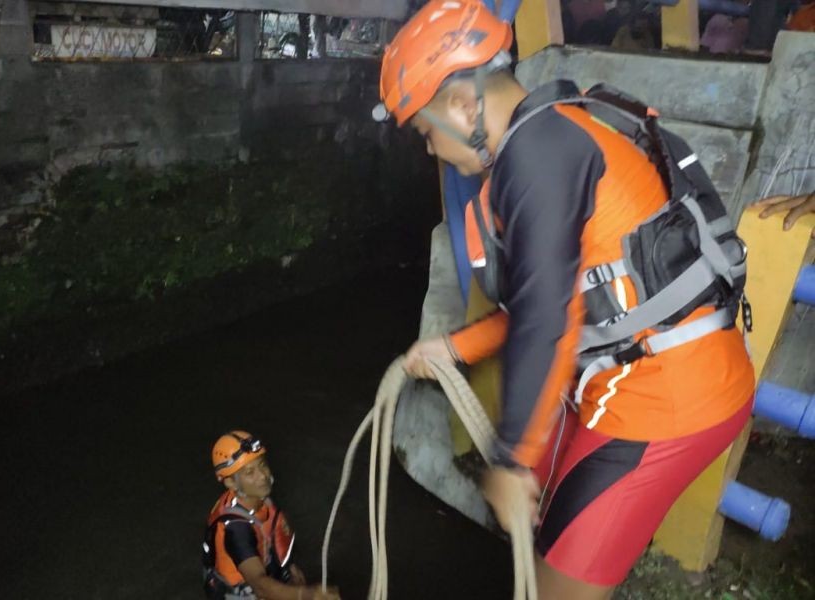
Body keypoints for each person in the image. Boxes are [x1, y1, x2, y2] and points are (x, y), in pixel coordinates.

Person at [374, 1, 754, 598]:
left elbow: (547, 319)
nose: (431, 152)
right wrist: (453, 346)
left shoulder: (535, 155)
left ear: (462, 106)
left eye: (425, 135)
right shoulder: (556, 131)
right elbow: (546, 301)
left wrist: (510, 459)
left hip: (663, 398)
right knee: (552, 521)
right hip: (651, 374)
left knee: (555, 584)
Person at [203, 431, 341, 600]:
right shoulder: (236, 529)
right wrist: (307, 595)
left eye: (262, 465)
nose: (262, 476)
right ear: (230, 482)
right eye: (249, 473)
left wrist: (288, 567)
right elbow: (260, 586)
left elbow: (269, 536)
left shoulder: (255, 498)